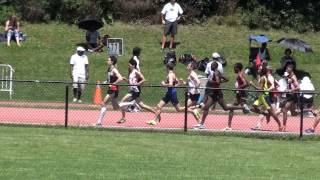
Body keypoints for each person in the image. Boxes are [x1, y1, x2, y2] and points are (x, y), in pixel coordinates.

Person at [194, 62, 245, 130]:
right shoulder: (217, 72)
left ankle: (242, 108)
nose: (210, 67)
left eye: (212, 65)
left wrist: (211, 82)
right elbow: (227, 79)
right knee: (206, 107)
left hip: (217, 94)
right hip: (213, 93)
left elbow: (217, 82)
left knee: (226, 108)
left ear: (214, 66)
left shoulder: (216, 72)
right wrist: (218, 82)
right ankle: (202, 124)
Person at [117, 59, 159, 123]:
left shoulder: (135, 71)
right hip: (132, 90)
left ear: (133, 65)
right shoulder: (130, 72)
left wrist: (137, 84)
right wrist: (125, 80)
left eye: (129, 65)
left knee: (121, 102)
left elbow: (144, 79)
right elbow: (130, 83)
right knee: (142, 105)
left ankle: (126, 114)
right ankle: (156, 113)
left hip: (135, 91)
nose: (128, 66)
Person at [249, 66, 283, 131]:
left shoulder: (263, 78)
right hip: (261, 96)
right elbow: (270, 85)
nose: (258, 70)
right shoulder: (265, 77)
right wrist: (268, 88)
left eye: (260, 69)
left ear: (262, 71)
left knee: (272, 113)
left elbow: (260, 89)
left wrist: (252, 84)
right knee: (253, 107)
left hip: (264, 96)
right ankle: (266, 114)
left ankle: (280, 125)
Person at [96, 56, 124, 127]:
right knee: (116, 107)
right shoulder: (109, 69)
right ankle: (130, 104)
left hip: (114, 89)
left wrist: (113, 84)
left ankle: (99, 122)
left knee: (103, 103)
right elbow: (109, 80)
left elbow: (120, 78)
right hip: (110, 89)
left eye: (108, 60)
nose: (107, 61)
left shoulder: (114, 70)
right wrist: (104, 83)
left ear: (112, 62)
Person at [281, 63, 300, 131]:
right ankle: (306, 110)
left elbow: (298, 87)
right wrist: (286, 77)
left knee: (284, 109)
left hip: (292, 96)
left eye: (288, 68)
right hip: (289, 95)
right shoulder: (289, 76)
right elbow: (289, 83)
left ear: (291, 69)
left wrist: (290, 90)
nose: (286, 69)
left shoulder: (293, 77)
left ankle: (283, 127)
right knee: (293, 113)